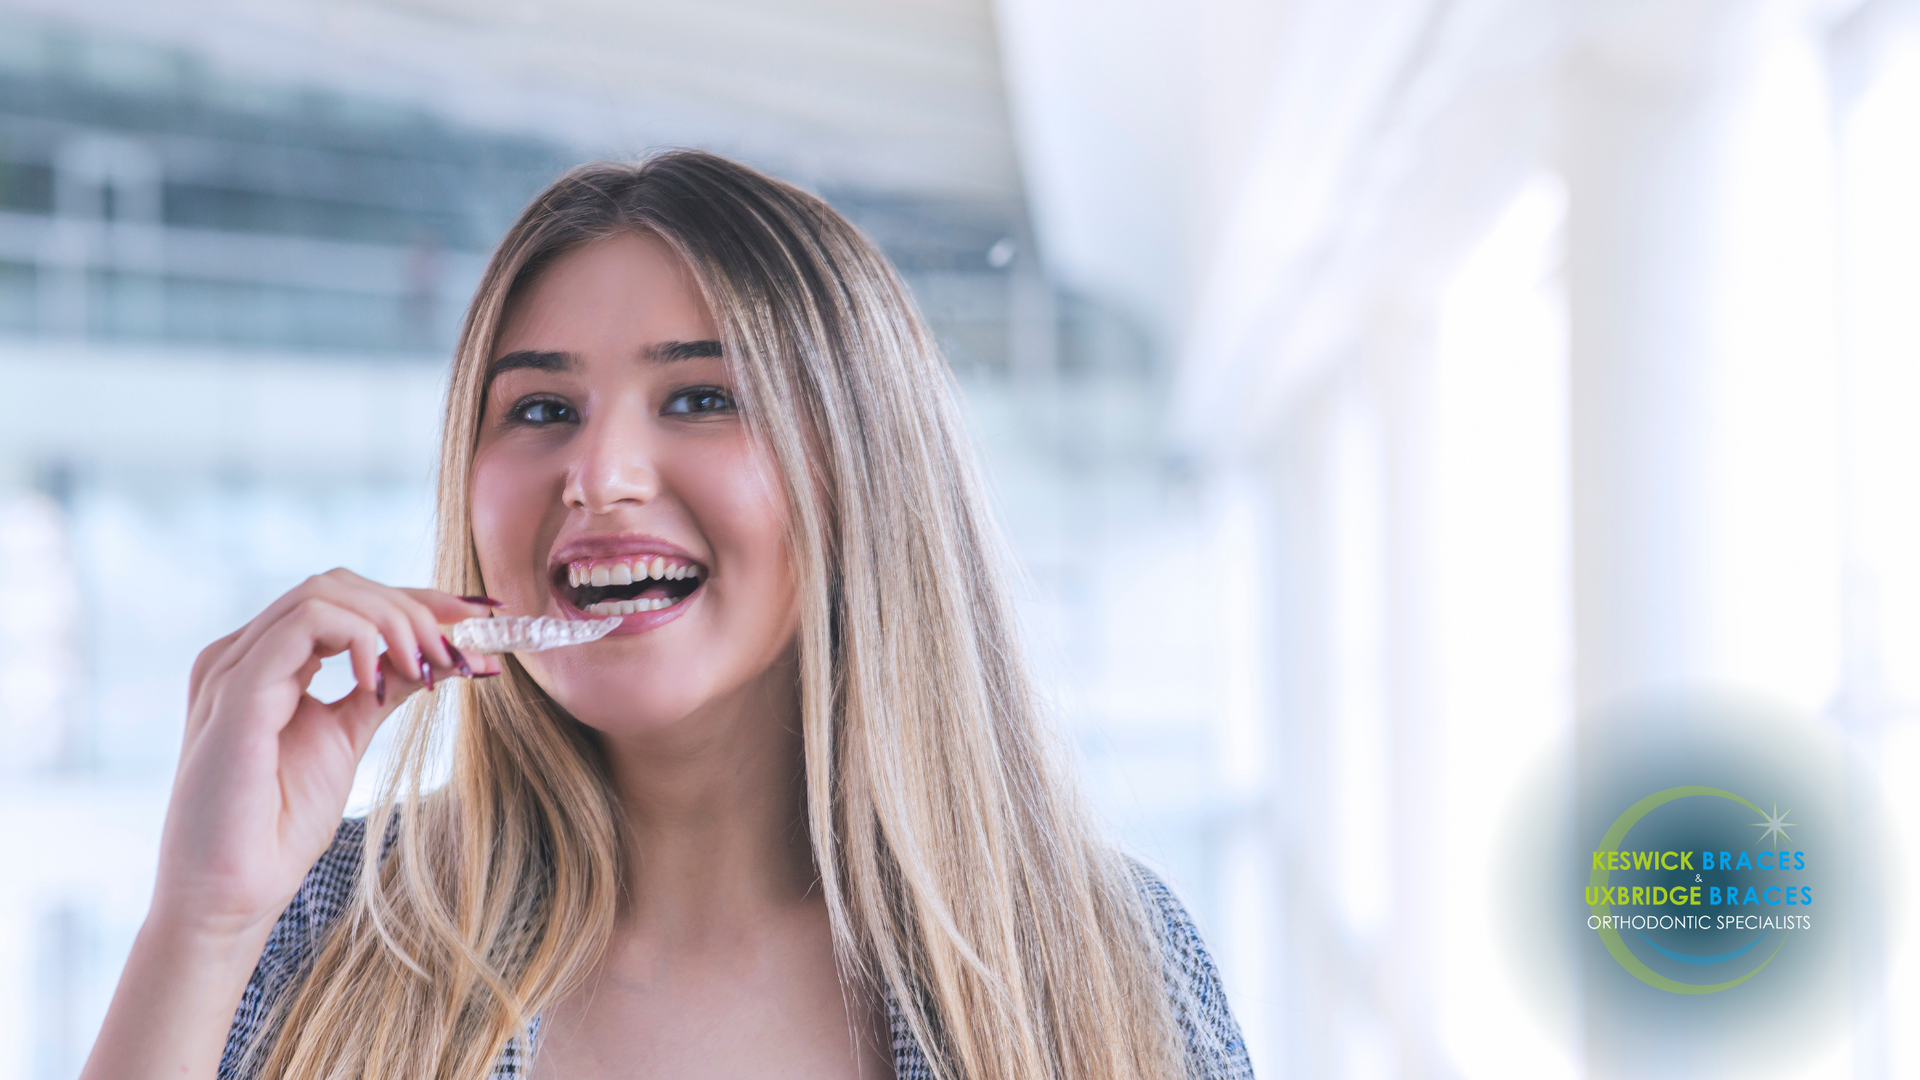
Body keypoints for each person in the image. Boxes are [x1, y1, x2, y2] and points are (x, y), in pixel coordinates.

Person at [81, 151, 1253, 1080]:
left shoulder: (1104, 965)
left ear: (864, 478)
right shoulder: (330, 925)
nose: (600, 475)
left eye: (701, 396)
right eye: (541, 408)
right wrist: (201, 929)